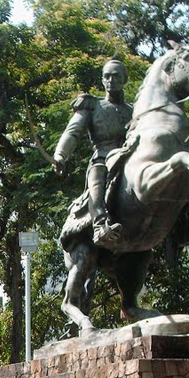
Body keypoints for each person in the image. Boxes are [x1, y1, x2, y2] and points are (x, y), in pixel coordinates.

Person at [52, 58, 133, 248]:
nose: (111, 80)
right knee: (96, 176)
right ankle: (99, 225)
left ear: (124, 79)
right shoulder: (92, 105)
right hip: (103, 158)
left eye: (116, 76)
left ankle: (182, 227)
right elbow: (73, 131)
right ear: (102, 80)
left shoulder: (134, 110)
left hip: (131, 159)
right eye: (107, 76)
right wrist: (60, 155)